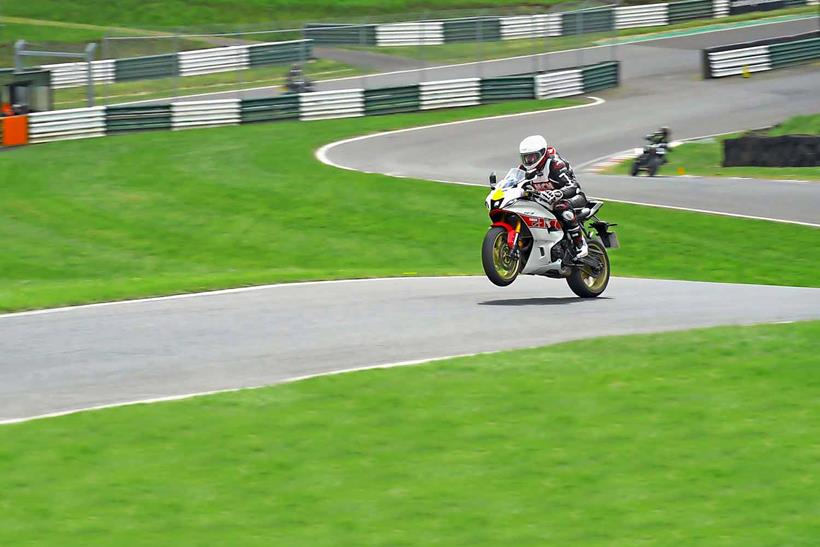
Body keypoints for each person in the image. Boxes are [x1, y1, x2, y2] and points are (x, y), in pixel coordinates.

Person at [517, 135, 588, 259]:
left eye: (532, 157)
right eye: (526, 157)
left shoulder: (555, 164)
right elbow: (514, 182)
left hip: (573, 197)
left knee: (561, 207)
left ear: (542, 154)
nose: (529, 161)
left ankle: (580, 244)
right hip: (544, 200)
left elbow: (573, 186)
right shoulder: (523, 169)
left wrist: (558, 193)